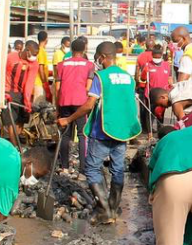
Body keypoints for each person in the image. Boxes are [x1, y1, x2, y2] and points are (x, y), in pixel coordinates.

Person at [57, 41, 141, 224]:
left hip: (102, 132)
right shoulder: (128, 77)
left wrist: (68, 119)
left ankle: (104, 209)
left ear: (102, 57)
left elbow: (89, 105)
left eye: (98, 57)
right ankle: (113, 206)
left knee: (92, 169)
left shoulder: (101, 77)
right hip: (121, 131)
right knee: (117, 169)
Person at [53, 37, 96, 170]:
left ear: (71, 50)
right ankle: (83, 167)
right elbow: (88, 87)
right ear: (84, 50)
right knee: (82, 134)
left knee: (65, 134)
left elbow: (57, 87)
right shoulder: (89, 65)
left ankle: (64, 166)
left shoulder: (61, 65)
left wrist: (57, 106)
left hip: (64, 100)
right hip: (81, 102)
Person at [35, 30, 51, 103]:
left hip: (36, 82)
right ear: (46, 39)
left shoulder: (37, 49)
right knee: (39, 106)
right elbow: (40, 68)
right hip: (39, 83)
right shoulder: (41, 51)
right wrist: (45, 83)